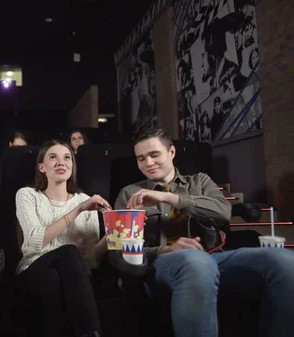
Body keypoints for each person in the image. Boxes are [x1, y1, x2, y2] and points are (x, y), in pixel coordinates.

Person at [115, 128, 294, 337]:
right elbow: (121, 249)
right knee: (196, 262)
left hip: (215, 257)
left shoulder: (200, 181)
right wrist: (164, 249)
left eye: (154, 155)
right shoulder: (129, 193)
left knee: (283, 259)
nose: (148, 163)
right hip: (163, 265)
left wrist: (169, 198)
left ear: (171, 152)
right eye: (141, 158)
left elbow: (223, 212)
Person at [15, 140, 111, 337]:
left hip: (70, 276)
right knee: (68, 252)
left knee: (53, 279)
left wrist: (115, 235)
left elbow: (90, 259)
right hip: (32, 269)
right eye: (53, 157)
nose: (61, 162)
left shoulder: (85, 200)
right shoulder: (27, 195)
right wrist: (78, 211)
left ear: (72, 166)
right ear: (42, 167)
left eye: (67, 158)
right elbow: (34, 242)